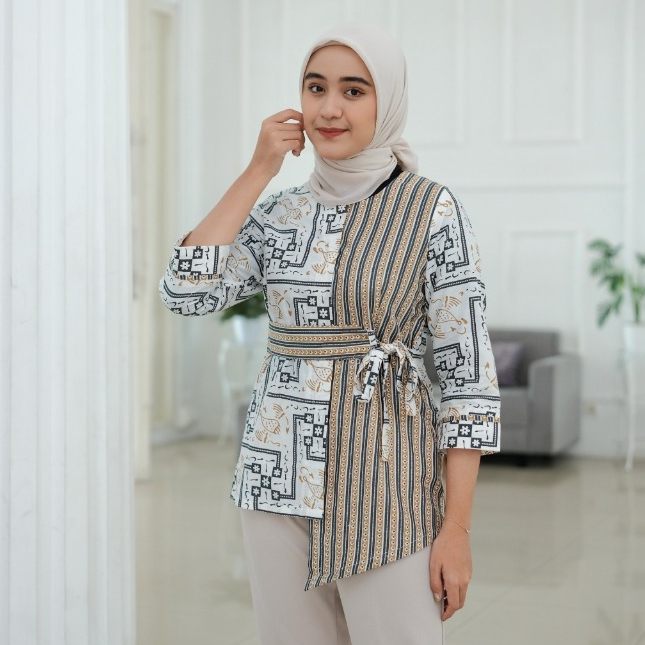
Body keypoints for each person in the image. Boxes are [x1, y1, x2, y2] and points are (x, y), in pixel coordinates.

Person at [159, 22, 501, 645]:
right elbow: (185, 291)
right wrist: (258, 170)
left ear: (386, 101)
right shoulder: (280, 212)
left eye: (354, 90)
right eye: (316, 88)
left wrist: (457, 529)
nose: (330, 108)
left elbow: (468, 380)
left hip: (388, 477)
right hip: (276, 474)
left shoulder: (432, 210)